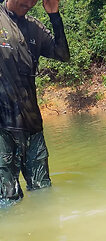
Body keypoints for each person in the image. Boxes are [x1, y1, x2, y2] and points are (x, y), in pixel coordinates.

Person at [0, 0, 69, 206]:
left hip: (32, 128)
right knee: (8, 200)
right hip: (3, 130)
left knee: (43, 193)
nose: (30, 2)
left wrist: (54, 15)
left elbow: (62, 54)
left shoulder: (35, 27)